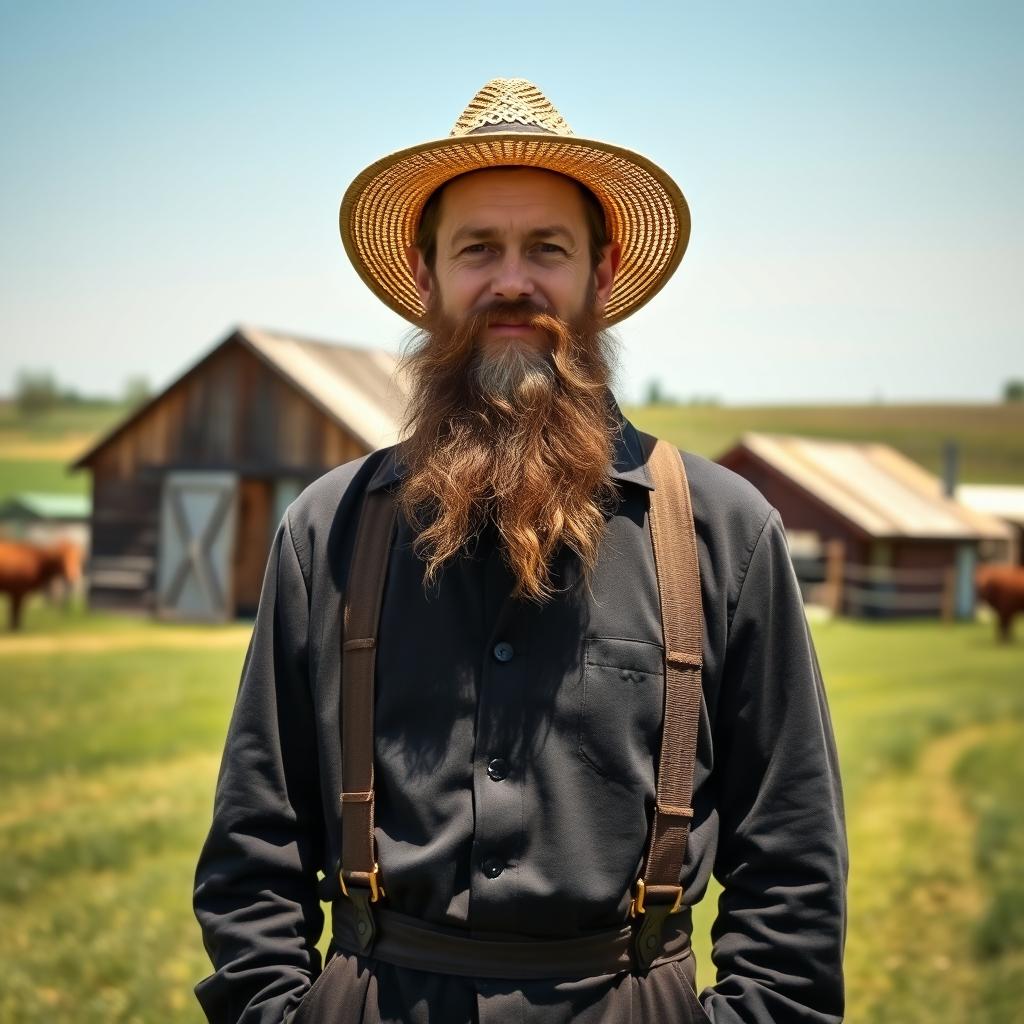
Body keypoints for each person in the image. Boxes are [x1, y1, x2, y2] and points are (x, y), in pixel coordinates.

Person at [193, 78, 848, 1024]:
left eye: (547, 248)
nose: (513, 281)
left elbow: (792, 859)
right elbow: (254, 841)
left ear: (603, 274)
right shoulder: (326, 530)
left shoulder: (724, 531)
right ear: (427, 280)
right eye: (478, 250)